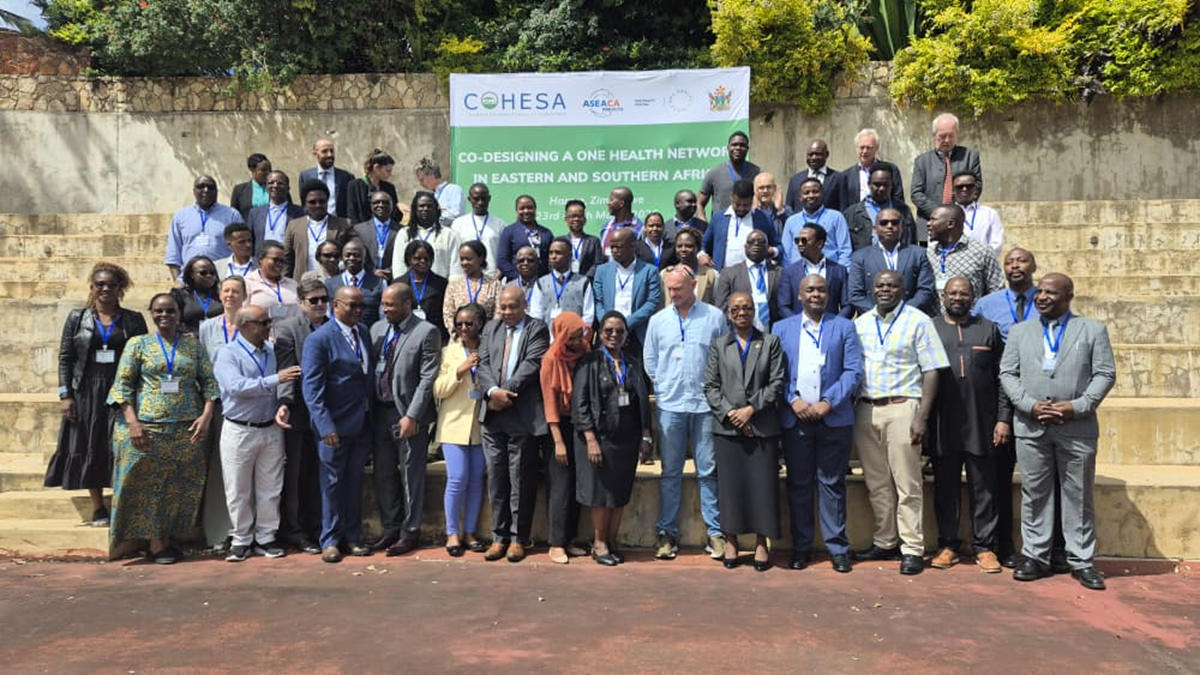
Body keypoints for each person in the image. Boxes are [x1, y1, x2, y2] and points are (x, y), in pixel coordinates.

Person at [1000, 273, 1116, 591]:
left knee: (1078, 496)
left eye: (1051, 292)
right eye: (1040, 291)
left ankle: (1081, 560)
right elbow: (1007, 372)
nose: (1042, 297)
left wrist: (1078, 406)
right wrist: (1028, 405)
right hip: (1032, 425)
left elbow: (1105, 374)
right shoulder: (1020, 331)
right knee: (1034, 493)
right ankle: (1036, 557)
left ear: (1068, 296)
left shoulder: (1092, 330)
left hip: (1076, 426)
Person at [107, 293, 219, 563]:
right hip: (149, 429)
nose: (164, 315)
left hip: (186, 430)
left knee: (178, 486)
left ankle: (167, 540)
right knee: (151, 487)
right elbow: (122, 386)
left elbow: (210, 385)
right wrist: (133, 422)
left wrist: (206, 417)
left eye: (170, 311)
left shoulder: (192, 347)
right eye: (158, 311)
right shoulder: (138, 345)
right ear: (151, 313)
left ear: (179, 314)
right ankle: (156, 544)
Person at [852, 270, 949, 575]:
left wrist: (922, 417)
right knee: (877, 482)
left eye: (892, 285)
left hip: (903, 407)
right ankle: (885, 540)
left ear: (902, 289)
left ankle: (912, 548)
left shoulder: (918, 320)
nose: (885, 290)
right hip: (866, 409)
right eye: (880, 285)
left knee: (908, 483)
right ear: (873, 289)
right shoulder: (861, 323)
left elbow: (932, 370)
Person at [773, 274, 863, 572]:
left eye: (821, 290)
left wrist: (828, 402)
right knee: (799, 485)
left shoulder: (844, 327)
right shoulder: (782, 328)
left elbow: (852, 371)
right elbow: (776, 374)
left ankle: (837, 547)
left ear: (829, 294)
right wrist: (793, 400)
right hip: (795, 418)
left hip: (833, 419)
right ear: (799, 295)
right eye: (810, 289)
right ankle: (801, 547)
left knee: (832, 484)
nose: (816, 294)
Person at [47, 263, 148, 527]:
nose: (105, 289)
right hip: (86, 391)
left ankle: (121, 502)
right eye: (99, 284)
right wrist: (65, 394)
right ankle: (98, 506)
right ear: (92, 286)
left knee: (119, 445)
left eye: (111, 285)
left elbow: (141, 357)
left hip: (120, 390)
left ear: (120, 288)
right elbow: (66, 357)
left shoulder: (133, 319)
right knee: (90, 443)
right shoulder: (77, 318)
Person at [644, 266, 728, 560]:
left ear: (694, 285)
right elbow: (650, 360)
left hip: (705, 406)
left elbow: (723, 357)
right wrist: (665, 387)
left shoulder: (714, 318)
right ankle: (666, 533)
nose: (673, 293)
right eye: (669, 288)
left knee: (708, 471)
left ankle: (715, 533)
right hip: (671, 406)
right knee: (670, 472)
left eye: (678, 288)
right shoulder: (658, 321)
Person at [929, 277, 1009, 573]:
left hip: (982, 421)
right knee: (945, 486)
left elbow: (1003, 379)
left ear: (974, 297)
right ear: (943, 296)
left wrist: (1003, 419)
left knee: (984, 487)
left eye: (964, 293)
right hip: (942, 422)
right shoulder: (931, 328)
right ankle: (948, 543)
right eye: (953, 293)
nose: (958, 297)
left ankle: (984, 547)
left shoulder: (989, 329)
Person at [212, 305, 301, 562]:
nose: (269, 326)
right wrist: (277, 379)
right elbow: (236, 387)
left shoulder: (272, 352)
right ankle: (241, 538)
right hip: (240, 428)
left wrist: (282, 397)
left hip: (270, 427)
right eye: (264, 322)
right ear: (247, 326)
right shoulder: (228, 354)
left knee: (271, 487)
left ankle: (266, 537)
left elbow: (282, 387)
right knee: (238, 489)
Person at [704, 292, 785, 571]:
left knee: (763, 487)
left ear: (754, 310)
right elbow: (711, 386)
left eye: (747, 307)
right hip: (728, 429)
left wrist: (750, 410)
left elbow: (776, 383)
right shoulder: (719, 344)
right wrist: (732, 414)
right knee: (731, 488)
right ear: (728, 313)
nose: (741, 312)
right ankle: (731, 541)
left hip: (762, 426)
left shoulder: (770, 342)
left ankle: (762, 543)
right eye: (736, 308)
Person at [971, 247, 1038, 567]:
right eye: (1009, 262)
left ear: (1033, 266)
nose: (1015, 266)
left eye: (1021, 260)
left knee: (1041, 479)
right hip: (999, 397)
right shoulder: (986, 304)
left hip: (1039, 394)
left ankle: (1050, 546)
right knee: (998, 477)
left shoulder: (1046, 299)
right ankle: (1004, 543)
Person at [301, 286, 376, 563]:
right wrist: (325, 426)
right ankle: (330, 539)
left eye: (361, 306)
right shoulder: (319, 339)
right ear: (336, 305)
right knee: (331, 484)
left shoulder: (364, 332)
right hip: (333, 427)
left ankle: (352, 537)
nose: (358, 311)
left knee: (354, 482)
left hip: (361, 424)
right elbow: (312, 389)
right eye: (352, 306)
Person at [571, 311, 652, 566]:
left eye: (619, 331)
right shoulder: (589, 362)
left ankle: (612, 541)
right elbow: (580, 404)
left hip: (627, 440)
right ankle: (599, 543)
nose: (614, 335)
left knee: (620, 493)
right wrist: (591, 439)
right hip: (599, 439)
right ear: (600, 333)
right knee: (600, 494)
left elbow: (642, 404)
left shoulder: (633, 363)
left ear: (626, 334)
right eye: (608, 330)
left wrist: (646, 436)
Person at [476, 286, 550, 563]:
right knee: (496, 479)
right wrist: (492, 392)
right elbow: (481, 364)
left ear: (524, 305)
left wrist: (505, 393)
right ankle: (499, 537)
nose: (507, 312)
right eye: (503, 307)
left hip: (521, 414)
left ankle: (519, 538)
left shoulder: (537, 328)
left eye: (512, 307)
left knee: (520, 479)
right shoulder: (491, 328)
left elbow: (532, 363)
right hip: (492, 414)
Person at [370, 283, 443, 556]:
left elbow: (427, 378)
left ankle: (409, 532)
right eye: (383, 304)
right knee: (384, 474)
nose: (385, 309)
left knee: (410, 475)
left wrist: (412, 415)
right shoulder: (376, 330)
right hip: (379, 412)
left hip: (408, 415)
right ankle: (390, 528)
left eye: (391, 304)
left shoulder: (426, 332)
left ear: (407, 304)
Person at [273, 277, 329, 553]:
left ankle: (321, 528)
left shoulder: (335, 327)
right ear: (301, 303)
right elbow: (287, 370)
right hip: (299, 412)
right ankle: (295, 530)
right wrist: (284, 402)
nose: (320, 305)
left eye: (323, 299)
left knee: (322, 473)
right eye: (313, 300)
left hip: (330, 412)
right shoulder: (288, 329)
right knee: (297, 474)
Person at [434, 304, 490, 556]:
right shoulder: (449, 353)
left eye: (469, 323)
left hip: (480, 425)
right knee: (457, 478)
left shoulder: (489, 349)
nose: (464, 328)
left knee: (477, 480)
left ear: (480, 324)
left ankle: (469, 531)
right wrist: (461, 369)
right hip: (454, 423)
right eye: (459, 324)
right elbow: (439, 389)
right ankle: (452, 533)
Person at [197, 275, 247, 547]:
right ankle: (217, 530)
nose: (230, 295)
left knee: (242, 468)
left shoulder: (252, 324)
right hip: (216, 405)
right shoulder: (207, 328)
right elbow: (203, 368)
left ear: (244, 295)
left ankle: (242, 529)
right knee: (219, 468)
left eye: (236, 291)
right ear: (219, 295)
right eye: (226, 290)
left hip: (245, 405)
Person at [539, 312, 593, 564]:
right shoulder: (551, 359)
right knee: (560, 487)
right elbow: (550, 404)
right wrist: (558, 442)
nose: (576, 340)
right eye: (571, 336)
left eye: (578, 335)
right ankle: (556, 543)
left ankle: (570, 539)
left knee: (576, 485)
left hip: (580, 425)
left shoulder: (584, 352)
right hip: (558, 429)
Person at [848, 208, 937, 316]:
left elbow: (925, 289)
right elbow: (855, 294)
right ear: (875, 229)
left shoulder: (918, 254)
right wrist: (879, 314)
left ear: (902, 227)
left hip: (909, 318)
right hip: (874, 320)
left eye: (895, 222)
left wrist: (903, 313)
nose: (889, 226)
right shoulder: (860, 256)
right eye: (884, 223)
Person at [592, 227, 661, 355]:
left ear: (632, 246)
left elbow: (652, 302)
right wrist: (608, 323)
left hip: (636, 333)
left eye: (618, 247)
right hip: (608, 335)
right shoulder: (602, 271)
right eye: (612, 247)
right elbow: (598, 301)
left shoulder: (649, 271)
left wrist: (626, 324)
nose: (614, 251)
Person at [926, 204, 1005, 314]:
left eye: (933, 220)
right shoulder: (927, 253)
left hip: (972, 325)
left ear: (950, 223)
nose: (928, 224)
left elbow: (997, 292)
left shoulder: (982, 252)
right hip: (934, 325)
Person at [165, 175, 242, 282]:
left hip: (222, 278)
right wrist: (178, 283)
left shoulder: (232, 215)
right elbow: (173, 254)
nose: (206, 190)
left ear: (216, 191)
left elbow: (241, 249)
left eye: (210, 187)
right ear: (194, 191)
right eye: (201, 187)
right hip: (190, 281)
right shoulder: (181, 216)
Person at [911, 113, 983, 221]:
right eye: (942, 136)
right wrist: (939, 213)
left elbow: (976, 186)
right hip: (930, 221)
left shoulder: (970, 156)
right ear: (934, 135)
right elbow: (916, 193)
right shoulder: (922, 161)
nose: (947, 140)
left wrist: (956, 212)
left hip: (962, 220)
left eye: (951, 135)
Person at [777, 223, 852, 319]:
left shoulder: (839, 270)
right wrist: (797, 325)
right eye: (797, 240)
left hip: (831, 329)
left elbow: (847, 304)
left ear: (819, 244)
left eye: (804, 241)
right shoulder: (789, 272)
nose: (799, 244)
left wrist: (835, 325)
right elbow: (783, 306)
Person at [700, 179, 778, 271]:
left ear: (752, 199)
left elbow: (778, 247)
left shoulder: (764, 218)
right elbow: (704, 244)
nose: (741, 208)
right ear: (731, 197)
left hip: (753, 277)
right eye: (737, 204)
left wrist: (771, 251)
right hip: (722, 276)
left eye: (746, 205)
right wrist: (702, 255)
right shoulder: (718, 218)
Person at [284, 180, 352, 283]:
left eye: (322, 201)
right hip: (303, 283)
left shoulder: (344, 224)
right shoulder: (294, 226)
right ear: (305, 204)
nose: (317, 205)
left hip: (335, 282)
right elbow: (287, 258)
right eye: (312, 202)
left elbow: (353, 251)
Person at [713, 229, 780, 331]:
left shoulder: (779, 272)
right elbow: (722, 308)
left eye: (761, 242)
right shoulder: (729, 273)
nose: (756, 244)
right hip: (739, 334)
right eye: (751, 241)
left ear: (768, 247)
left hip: (773, 333)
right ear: (745, 247)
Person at [390, 191, 462, 281]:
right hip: (410, 290)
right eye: (421, 206)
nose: (425, 209)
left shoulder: (449, 235)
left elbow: (456, 268)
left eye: (429, 206)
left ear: (436, 209)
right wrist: (401, 287)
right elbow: (399, 266)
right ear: (415, 210)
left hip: (440, 289)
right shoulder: (404, 234)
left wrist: (451, 290)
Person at [842, 168, 919, 251]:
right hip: (865, 262)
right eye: (877, 185)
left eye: (886, 185)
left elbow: (912, 240)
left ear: (891, 186)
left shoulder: (903, 210)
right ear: (869, 185)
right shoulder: (852, 213)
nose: (882, 188)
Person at [781, 178, 851, 268]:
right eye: (806, 193)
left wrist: (840, 275)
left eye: (815, 191)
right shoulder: (791, 221)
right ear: (800, 198)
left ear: (822, 194)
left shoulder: (836, 217)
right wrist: (790, 276)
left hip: (829, 273)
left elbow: (845, 250)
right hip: (799, 275)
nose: (811, 195)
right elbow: (786, 255)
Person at [530, 237, 595, 330]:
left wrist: (578, 337)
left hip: (574, 339)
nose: (553, 256)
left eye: (558, 253)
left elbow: (588, 315)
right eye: (551, 253)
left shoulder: (583, 282)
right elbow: (536, 315)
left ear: (570, 255)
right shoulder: (541, 283)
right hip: (548, 340)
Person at [443, 241, 504, 337]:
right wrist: (459, 334)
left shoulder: (494, 284)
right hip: (459, 340)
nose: (464, 263)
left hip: (487, 339)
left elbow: (499, 313)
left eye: (468, 259)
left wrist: (487, 335)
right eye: (462, 259)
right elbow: (448, 314)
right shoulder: (454, 285)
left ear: (481, 259)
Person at [835, 129, 904, 212]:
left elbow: (898, 199)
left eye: (869, 148)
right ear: (856, 148)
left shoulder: (891, 170)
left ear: (877, 148)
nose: (865, 151)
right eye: (862, 147)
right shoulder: (846, 176)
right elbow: (843, 206)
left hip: (884, 219)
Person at [699, 131, 761, 219]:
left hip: (749, 224)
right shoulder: (715, 173)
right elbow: (699, 203)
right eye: (734, 145)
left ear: (747, 149)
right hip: (722, 226)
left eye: (742, 145)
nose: (738, 148)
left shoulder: (757, 172)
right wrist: (704, 225)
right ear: (728, 148)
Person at [449, 183, 505, 279]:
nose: (480, 202)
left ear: (489, 198)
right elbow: (454, 254)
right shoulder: (458, 224)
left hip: (492, 277)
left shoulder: (499, 224)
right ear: (469, 199)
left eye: (484, 198)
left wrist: (498, 276)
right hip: (465, 278)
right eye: (476, 199)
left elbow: (504, 254)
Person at [400, 240, 449, 342]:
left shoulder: (442, 284)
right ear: (409, 259)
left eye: (427, 259)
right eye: (417, 258)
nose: (422, 262)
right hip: (405, 337)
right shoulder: (399, 283)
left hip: (434, 337)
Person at [326, 239, 383, 326]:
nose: (351, 258)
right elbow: (328, 314)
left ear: (365, 257)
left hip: (369, 334)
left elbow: (383, 316)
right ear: (342, 257)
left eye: (356, 255)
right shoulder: (329, 284)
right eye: (347, 255)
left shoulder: (379, 283)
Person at [496, 195, 553, 281]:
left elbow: (551, 259)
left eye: (529, 207)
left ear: (535, 209)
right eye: (522, 208)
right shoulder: (509, 231)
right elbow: (502, 261)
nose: (526, 211)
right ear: (516, 210)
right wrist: (519, 278)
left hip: (542, 282)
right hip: (517, 284)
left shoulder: (546, 233)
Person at [244, 242, 301, 322]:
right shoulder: (247, 283)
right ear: (261, 259)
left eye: (282, 261)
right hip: (261, 332)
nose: (279, 264)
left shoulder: (293, 284)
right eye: (275, 260)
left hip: (291, 332)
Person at [349, 190, 401, 278]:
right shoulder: (359, 229)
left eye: (385, 202)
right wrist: (373, 271)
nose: (381, 205)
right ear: (371, 206)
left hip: (394, 278)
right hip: (368, 279)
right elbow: (356, 254)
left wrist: (392, 270)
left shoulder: (402, 230)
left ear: (393, 206)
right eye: (376, 202)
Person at [299, 137, 353, 219]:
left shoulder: (346, 177)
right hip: (314, 225)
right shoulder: (305, 176)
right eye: (324, 151)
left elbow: (350, 205)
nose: (330, 155)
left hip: (339, 225)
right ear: (315, 153)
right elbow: (304, 204)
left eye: (332, 151)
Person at [246, 171, 302, 249]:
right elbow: (249, 240)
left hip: (287, 259)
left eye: (280, 183)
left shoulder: (300, 213)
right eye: (271, 183)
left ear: (288, 187)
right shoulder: (255, 213)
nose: (275, 186)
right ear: (266, 187)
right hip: (261, 259)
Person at [664, 227, 718, 306]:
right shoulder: (666, 274)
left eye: (689, 246)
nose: (683, 249)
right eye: (679, 246)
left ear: (697, 248)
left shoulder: (711, 275)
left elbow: (717, 303)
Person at [952, 172, 1004, 252]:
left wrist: (981, 258)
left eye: (969, 186)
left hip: (983, 262)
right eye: (960, 187)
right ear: (953, 190)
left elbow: (996, 243)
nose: (964, 189)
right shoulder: (945, 214)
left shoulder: (990, 214)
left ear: (975, 189)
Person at [344, 149, 399, 226]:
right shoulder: (355, 185)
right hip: (362, 230)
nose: (390, 174)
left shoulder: (389, 188)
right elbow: (352, 213)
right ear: (376, 167)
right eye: (388, 171)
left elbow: (395, 213)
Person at [170, 256, 222, 333]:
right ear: (192, 274)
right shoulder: (179, 295)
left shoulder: (221, 295)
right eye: (203, 273)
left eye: (212, 273)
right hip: (190, 341)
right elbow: (174, 321)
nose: (209, 275)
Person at [415, 157, 465, 227]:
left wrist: (434, 215)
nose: (421, 184)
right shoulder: (431, 196)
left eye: (422, 180)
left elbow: (456, 213)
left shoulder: (454, 190)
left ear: (431, 175)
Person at [598, 186, 644, 257]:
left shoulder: (640, 229)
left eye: (611, 200)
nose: (608, 203)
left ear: (621, 203)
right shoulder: (606, 227)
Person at [563, 199, 603, 277]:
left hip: (588, 283)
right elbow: (553, 264)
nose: (576, 219)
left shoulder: (594, 241)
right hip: (565, 284)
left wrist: (584, 279)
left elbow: (598, 264)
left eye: (579, 216)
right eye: (572, 216)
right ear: (566, 220)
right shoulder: (560, 241)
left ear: (584, 219)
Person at [230, 153, 272, 220]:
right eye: (263, 170)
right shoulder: (239, 190)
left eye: (270, 170)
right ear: (252, 170)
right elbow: (234, 215)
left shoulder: (277, 188)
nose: (268, 173)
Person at [753, 173, 791, 241]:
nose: (765, 191)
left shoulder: (786, 211)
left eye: (769, 187)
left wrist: (779, 211)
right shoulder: (749, 211)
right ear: (755, 190)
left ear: (775, 189)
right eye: (761, 188)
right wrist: (754, 212)